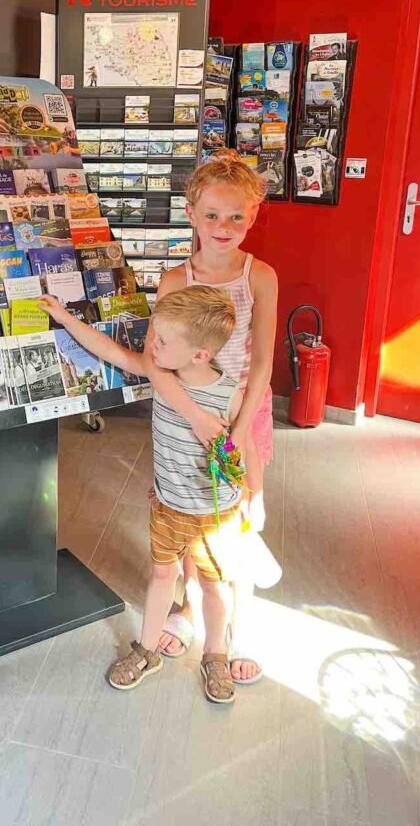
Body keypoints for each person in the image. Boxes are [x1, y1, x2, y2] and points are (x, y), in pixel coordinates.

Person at [40, 286, 251, 704]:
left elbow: (245, 453)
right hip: (167, 505)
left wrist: (251, 497)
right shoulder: (161, 372)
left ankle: (215, 654)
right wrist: (66, 320)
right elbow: (113, 352)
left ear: (199, 355)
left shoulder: (229, 396)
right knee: (161, 576)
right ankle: (147, 649)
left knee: (213, 587)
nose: (151, 344)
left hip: (215, 515)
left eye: (162, 340)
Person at [148, 150, 277, 683]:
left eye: (236, 217)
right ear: (191, 212)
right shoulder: (175, 280)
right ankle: (184, 609)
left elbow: (265, 359)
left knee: (240, 519)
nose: (223, 228)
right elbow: (159, 364)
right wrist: (198, 421)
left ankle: (235, 632)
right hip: (186, 416)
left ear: (252, 217)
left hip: (246, 408)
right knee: (186, 512)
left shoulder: (260, 276)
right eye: (212, 216)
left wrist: (242, 429)